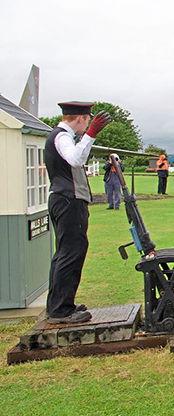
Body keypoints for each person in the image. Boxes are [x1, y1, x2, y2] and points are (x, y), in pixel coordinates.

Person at [45, 101, 112, 324]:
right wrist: (91, 134)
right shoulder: (63, 137)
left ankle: (59, 304)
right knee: (72, 251)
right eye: (87, 121)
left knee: (65, 252)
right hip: (68, 201)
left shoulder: (58, 136)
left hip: (63, 199)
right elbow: (76, 159)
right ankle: (61, 310)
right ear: (81, 118)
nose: (86, 126)